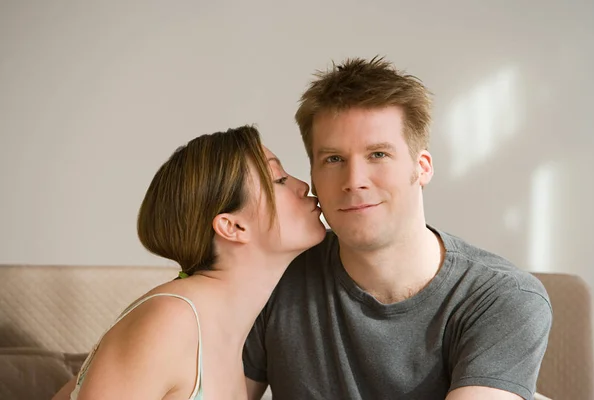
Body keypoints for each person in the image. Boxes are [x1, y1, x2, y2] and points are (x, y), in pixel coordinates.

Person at [243, 57, 552, 400]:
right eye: (333, 159)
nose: (354, 181)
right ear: (313, 175)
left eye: (377, 154)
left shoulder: (503, 298)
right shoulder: (275, 277)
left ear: (422, 168)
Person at [51, 125, 326, 400]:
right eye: (278, 179)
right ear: (232, 226)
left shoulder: (225, 331)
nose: (303, 186)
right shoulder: (170, 322)